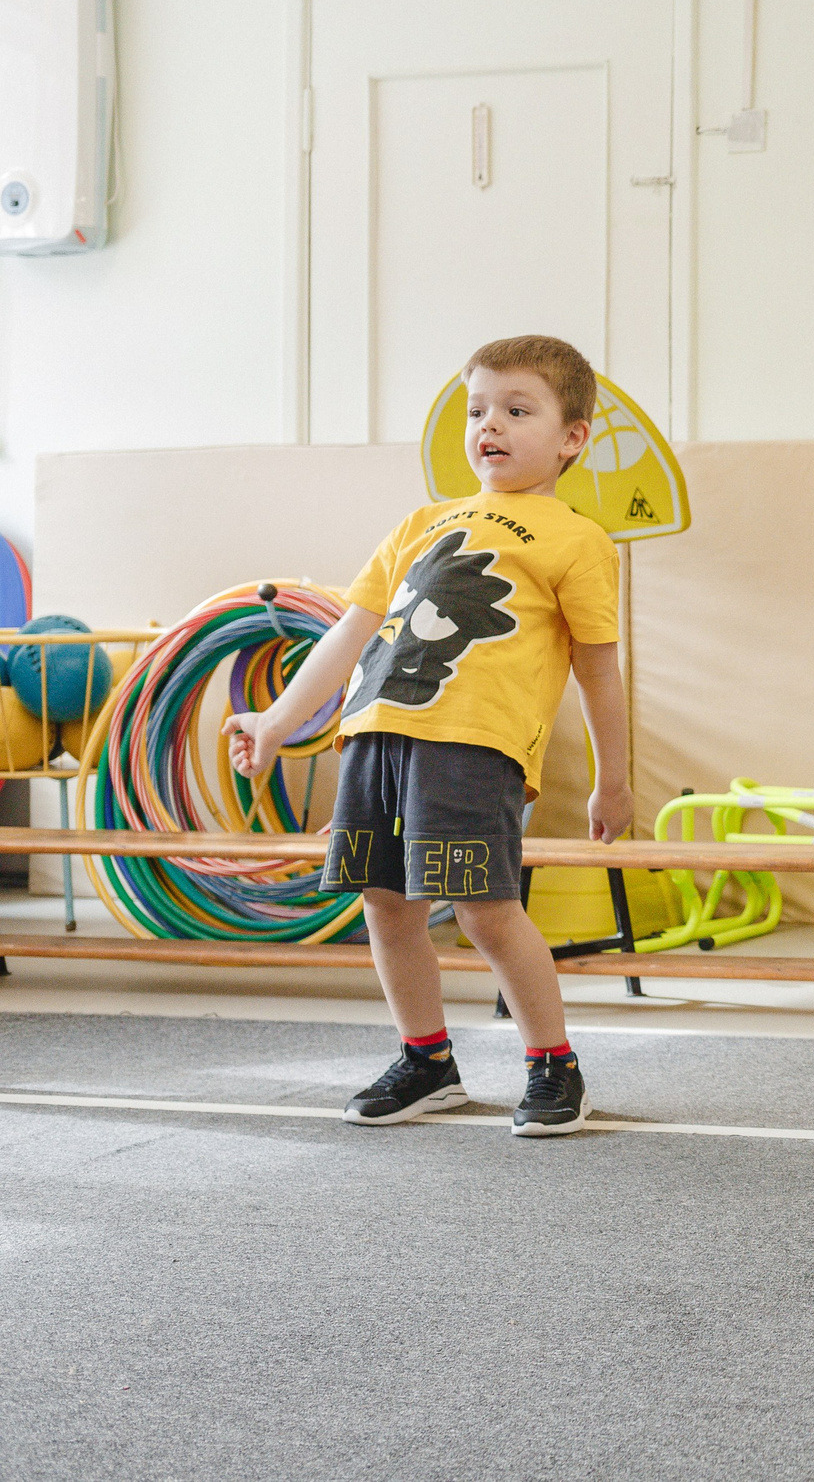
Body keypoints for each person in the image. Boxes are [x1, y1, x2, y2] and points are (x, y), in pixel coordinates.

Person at [224, 335, 630, 1138]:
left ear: (572, 436)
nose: (492, 425)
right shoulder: (422, 520)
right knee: (384, 900)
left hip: (474, 746)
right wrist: (275, 722)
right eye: (478, 409)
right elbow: (349, 634)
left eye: (518, 410)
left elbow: (600, 671)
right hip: (374, 734)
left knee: (485, 909)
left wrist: (612, 778)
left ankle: (555, 1065)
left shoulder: (576, 539)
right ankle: (427, 1060)